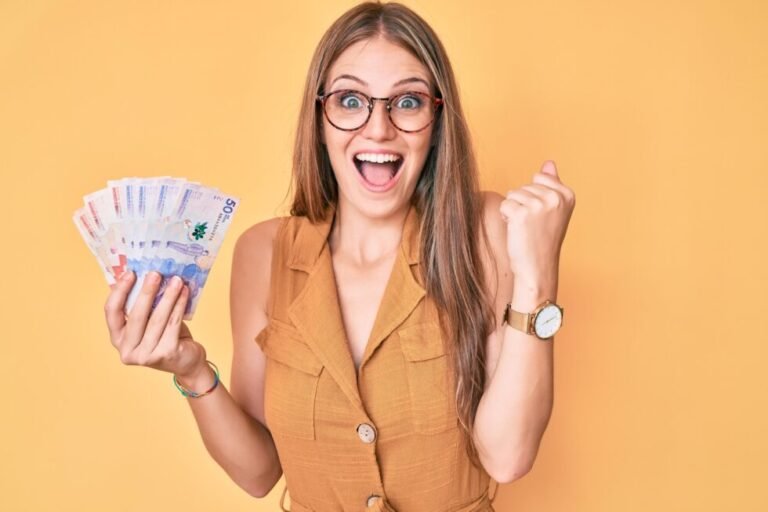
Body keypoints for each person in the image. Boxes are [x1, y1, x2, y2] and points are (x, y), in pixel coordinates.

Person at [103, 1, 575, 511]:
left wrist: (539, 278)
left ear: (437, 120)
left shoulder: (484, 230)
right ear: (320, 118)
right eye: (350, 100)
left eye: (408, 101)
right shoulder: (264, 253)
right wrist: (192, 371)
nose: (378, 128)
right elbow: (259, 473)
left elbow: (507, 457)